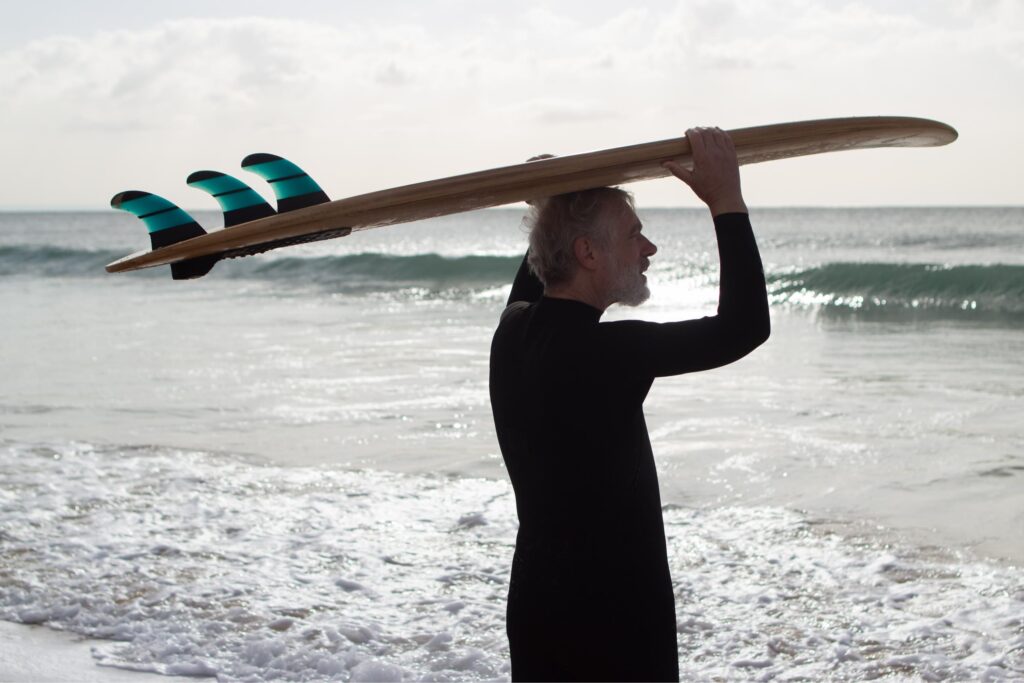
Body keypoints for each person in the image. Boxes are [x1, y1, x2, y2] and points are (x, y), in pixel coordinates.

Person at [488, 127, 770, 682]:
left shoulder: (513, 330)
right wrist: (726, 202)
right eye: (634, 234)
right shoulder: (608, 353)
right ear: (588, 252)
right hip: (613, 625)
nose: (649, 248)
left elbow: (537, 277)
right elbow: (745, 327)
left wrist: (551, 196)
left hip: (538, 610)